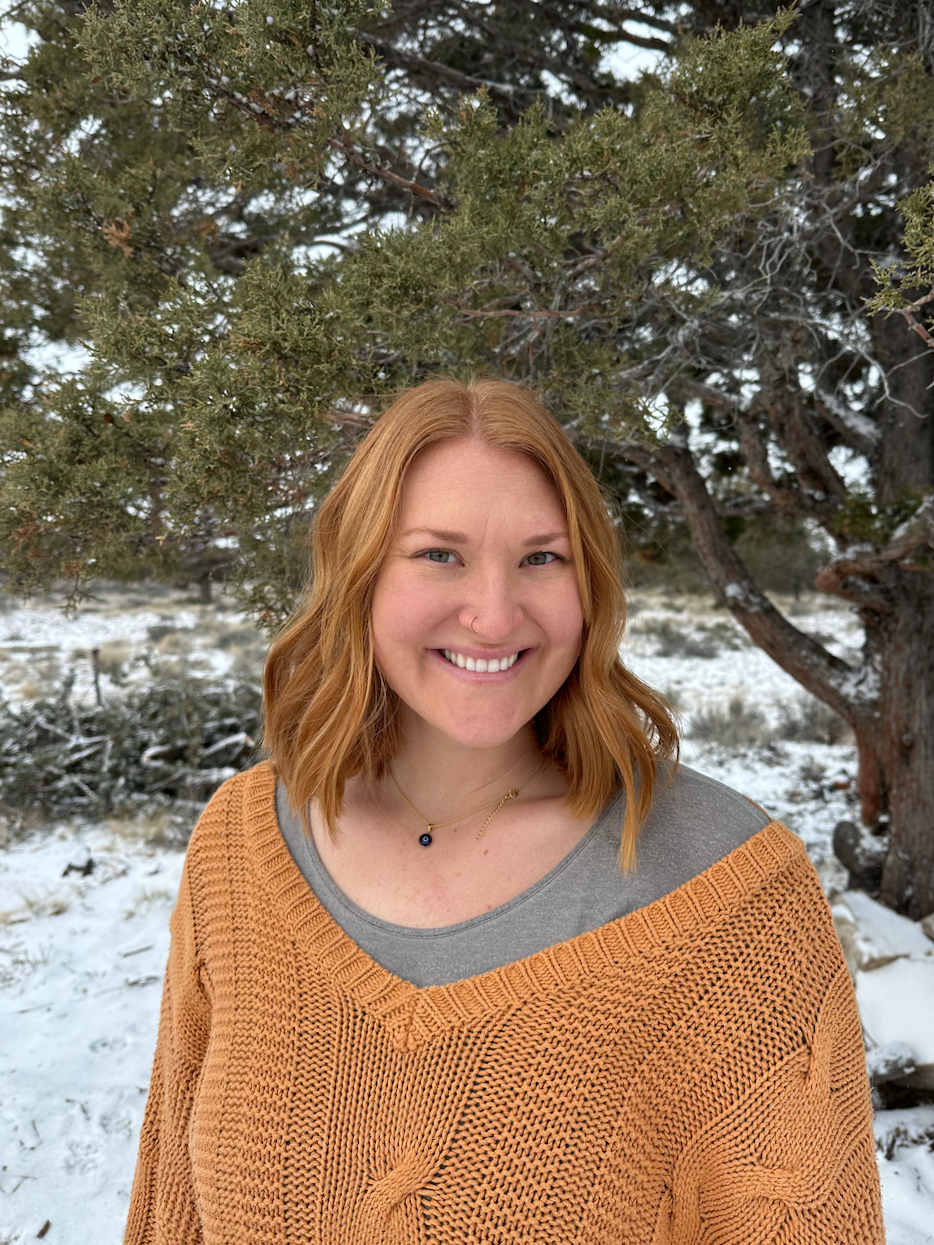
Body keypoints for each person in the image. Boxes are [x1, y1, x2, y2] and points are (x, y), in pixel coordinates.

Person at [124, 377, 884, 1244]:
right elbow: (170, 1209)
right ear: (360, 572)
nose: (493, 615)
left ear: (589, 582)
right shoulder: (240, 845)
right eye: (439, 555)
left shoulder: (729, 898)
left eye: (541, 558)